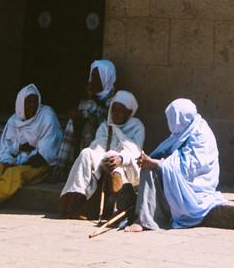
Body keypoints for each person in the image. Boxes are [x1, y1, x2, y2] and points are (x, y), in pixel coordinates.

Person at [131, 97, 223, 230]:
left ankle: (145, 221)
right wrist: (151, 160)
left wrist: (156, 164)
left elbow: (188, 169)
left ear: (179, 118)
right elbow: (170, 153)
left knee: (152, 169)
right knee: (148, 170)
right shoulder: (187, 129)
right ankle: (144, 217)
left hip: (196, 186)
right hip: (182, 177)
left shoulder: (201, 135)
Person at [0, 83, 63, 211]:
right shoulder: (13, 121)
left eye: (35, 102)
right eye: (28, 102)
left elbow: (45, 154)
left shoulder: (47, 116)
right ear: (20, 104)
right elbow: (6, 148)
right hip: (17, 160)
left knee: (14, 173)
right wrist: (7, 161)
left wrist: (20, 161)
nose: (32, 106)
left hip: (40, 165)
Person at [61, 89, 146, 219]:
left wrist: (120, 158)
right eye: (113, 109)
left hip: (126, 164)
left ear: (129, 112)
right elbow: (98, 146)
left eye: (120, 110)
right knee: (86, 153)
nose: (115, 113)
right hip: (105, 159)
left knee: (116, 169)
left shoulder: (137, 126)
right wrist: (106, 159)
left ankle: (118, 210)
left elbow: (135, 151)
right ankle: (73, 203)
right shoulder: (105, 126)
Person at [64, 58, 118, 162]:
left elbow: (107, 120)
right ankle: (65, 166)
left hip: (104, 139)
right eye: (92, 76)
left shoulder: (114, 100)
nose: (93, 81)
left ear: (106, 78)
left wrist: (90, 101)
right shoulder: (90, 97)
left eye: (98, 78)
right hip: (85, 135)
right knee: (73, 122)